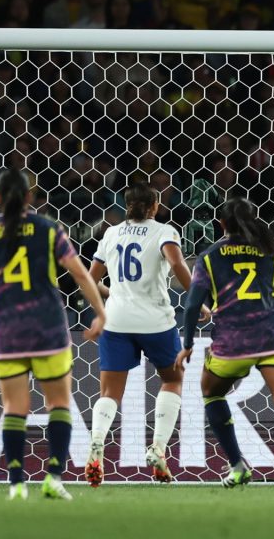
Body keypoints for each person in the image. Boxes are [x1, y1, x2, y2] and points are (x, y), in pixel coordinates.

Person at [0, 169, 106, 500]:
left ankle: (16, 484)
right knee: (58, 404)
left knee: (14, 407)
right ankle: (54, 477)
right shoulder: (49, 229)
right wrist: (100, 313)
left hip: (6, 332)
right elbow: (80, 274)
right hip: (48, 329)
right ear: (29, 196)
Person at [178, 197, 274, 491]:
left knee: (211, 392)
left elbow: (193, 304)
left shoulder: (209, 257)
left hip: (232, 342)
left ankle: (237, 466)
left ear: (221, 224)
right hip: (273, 337)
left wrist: (187, 343)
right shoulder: (272, 253)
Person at [84, 181, 208, 486]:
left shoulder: (111, 233)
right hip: (155, 322)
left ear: (126, 205)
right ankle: (158, 448)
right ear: (155, 206)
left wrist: (113, 293)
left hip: (116, 321)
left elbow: (90, 279)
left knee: (109, 393)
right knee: (172, 380)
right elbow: (177, 263)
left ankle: (97, 442)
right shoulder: (165, 231)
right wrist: (197, 301)